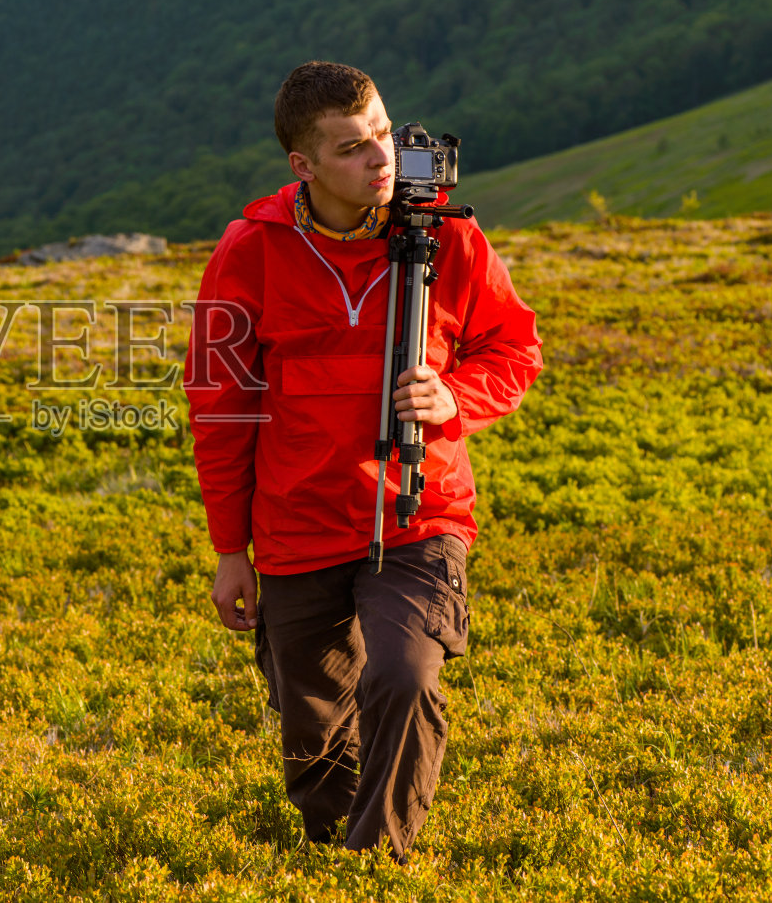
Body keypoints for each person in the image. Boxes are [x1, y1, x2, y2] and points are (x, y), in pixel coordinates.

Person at [182, 60, 542, 861]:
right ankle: (331, 845)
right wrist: (228, 552)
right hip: (296, 524)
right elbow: (222, 411)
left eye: (382, 132)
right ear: (302, 167)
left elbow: (514, 349)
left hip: (418, 511)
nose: (380, 158)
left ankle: (374, 864)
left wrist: (455, 398)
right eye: (351, 148)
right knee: (312, 731)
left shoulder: (447, 237)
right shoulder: (250, 253)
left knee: (406, 677)